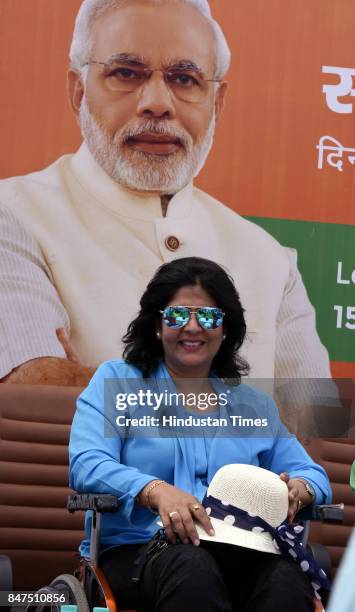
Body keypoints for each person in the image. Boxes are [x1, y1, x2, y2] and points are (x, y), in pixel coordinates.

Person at [0, 0, 331, 397]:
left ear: (217, 104)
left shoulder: (270, 263)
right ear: (78, 91)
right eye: (126, 73)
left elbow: (317, 434)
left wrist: (104, 392)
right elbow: (34, 396)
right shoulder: (14, 214)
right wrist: (248, 416)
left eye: (184, 78)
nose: (157, 102)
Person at [69, 256, 332, 611]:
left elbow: (312, 473)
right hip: (144, 549)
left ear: (225, 331)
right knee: (193, 566)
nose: (193, 327)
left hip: (242, 550)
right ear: (158, 326)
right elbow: (87, 465)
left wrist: (299, 490)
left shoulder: (253, 406)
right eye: (178, 316)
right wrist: (154, 491)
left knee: (286, 579)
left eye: (208, 317)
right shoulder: (118, 382)